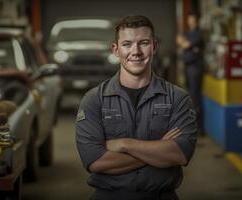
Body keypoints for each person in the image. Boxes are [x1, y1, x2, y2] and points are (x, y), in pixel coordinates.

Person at [76, 15, 198, 200]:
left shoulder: (178, 98)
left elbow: (179, 154)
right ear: (116, 50)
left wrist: (124, 145)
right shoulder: (94, 100)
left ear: (154, 46)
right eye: (127, 44)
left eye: (144, 43)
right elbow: (96, 161)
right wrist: (158, 150)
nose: (136, 51)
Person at [176, 12, 204, 129]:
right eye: (189, 20)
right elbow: (179, 40)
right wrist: (183, 42)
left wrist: (184, 43)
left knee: (195, 97)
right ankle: (191, 125)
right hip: (187, 67)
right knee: (188, 95)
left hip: (195, 68)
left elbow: (185, 44)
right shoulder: (188, 33)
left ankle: (199, 128)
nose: (191, 22)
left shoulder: (198, 34)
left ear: (197, 21)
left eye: (193, 20)